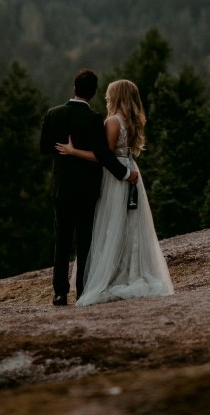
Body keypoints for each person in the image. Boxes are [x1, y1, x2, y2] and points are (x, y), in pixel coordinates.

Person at [56, 79, 174, 306]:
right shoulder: (131, 121)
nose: (107, 98)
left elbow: (103, 157)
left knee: (110, 224)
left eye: (110, 94)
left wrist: (73, 151)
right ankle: (130, 270)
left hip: (116, 177)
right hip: (130, 170)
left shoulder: (112, 122)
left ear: (117, 96)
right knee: (129, 225)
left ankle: (110, 275)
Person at [39, 69, 137, 307]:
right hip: (86, 190)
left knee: (61, 240)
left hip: (62, 188)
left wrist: (64, 151)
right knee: (84, 242)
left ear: (74, 88)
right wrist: (125, 173)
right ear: (92, 93)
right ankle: (83, 291)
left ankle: (60, 293)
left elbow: (43, 148)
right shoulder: (93, 119)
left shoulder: (53, 114)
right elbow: (103, 155)